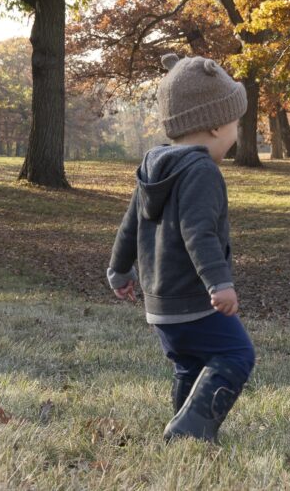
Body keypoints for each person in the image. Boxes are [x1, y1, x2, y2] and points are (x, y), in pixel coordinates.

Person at [108, 53, 255, 443]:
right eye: (235, 123)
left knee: (189, 367)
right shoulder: (201, 170)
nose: (236, 133)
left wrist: (119, 271)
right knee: (237, 354)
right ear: (213, 125)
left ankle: (182, 431)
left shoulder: (154, 167)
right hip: (195, 299)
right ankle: (191, 429)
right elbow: (198, 232)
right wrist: (219, 283)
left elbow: (129, 225)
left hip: (160, 305)